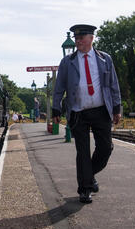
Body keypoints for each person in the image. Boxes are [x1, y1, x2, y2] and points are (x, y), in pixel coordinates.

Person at [52, 24, 122, 204]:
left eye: (82, 38)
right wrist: (56, 108)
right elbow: (59, 87)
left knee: (106, 148)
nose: (78, 41)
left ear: (91, 38)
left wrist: (117, 108)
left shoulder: (105, 59)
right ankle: (85, 189)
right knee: (82, 151)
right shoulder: (67, 62)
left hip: (101, 111)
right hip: (78, 112)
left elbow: (113, 85)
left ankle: (88, 176)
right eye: (76, 39)